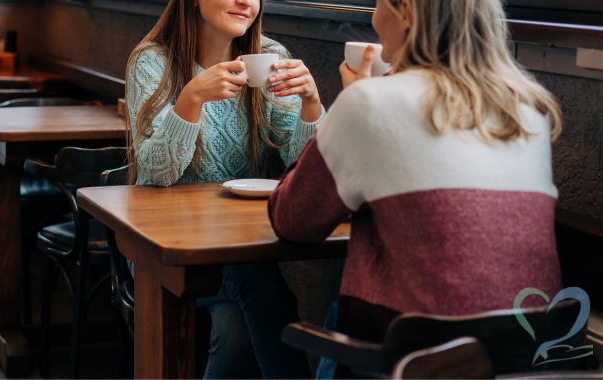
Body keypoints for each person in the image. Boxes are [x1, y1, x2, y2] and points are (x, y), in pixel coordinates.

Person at [269, 0, 563, 358]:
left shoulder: (368, 103)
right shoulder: (528, 109)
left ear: (406, 12)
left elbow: (292, 220)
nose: (375, 18)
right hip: (529, 357)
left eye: (378, 4)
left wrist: (351, 104)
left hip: (412, 360)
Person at [125, 0, 324, 377]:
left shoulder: (270, 57)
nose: (245, 1)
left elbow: (307, 168)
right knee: (259, 285)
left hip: (241, 241)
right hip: (167, 248)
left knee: (235, 331)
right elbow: (156, 173)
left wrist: (311, 105)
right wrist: (191, 98)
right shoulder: (152, 62)